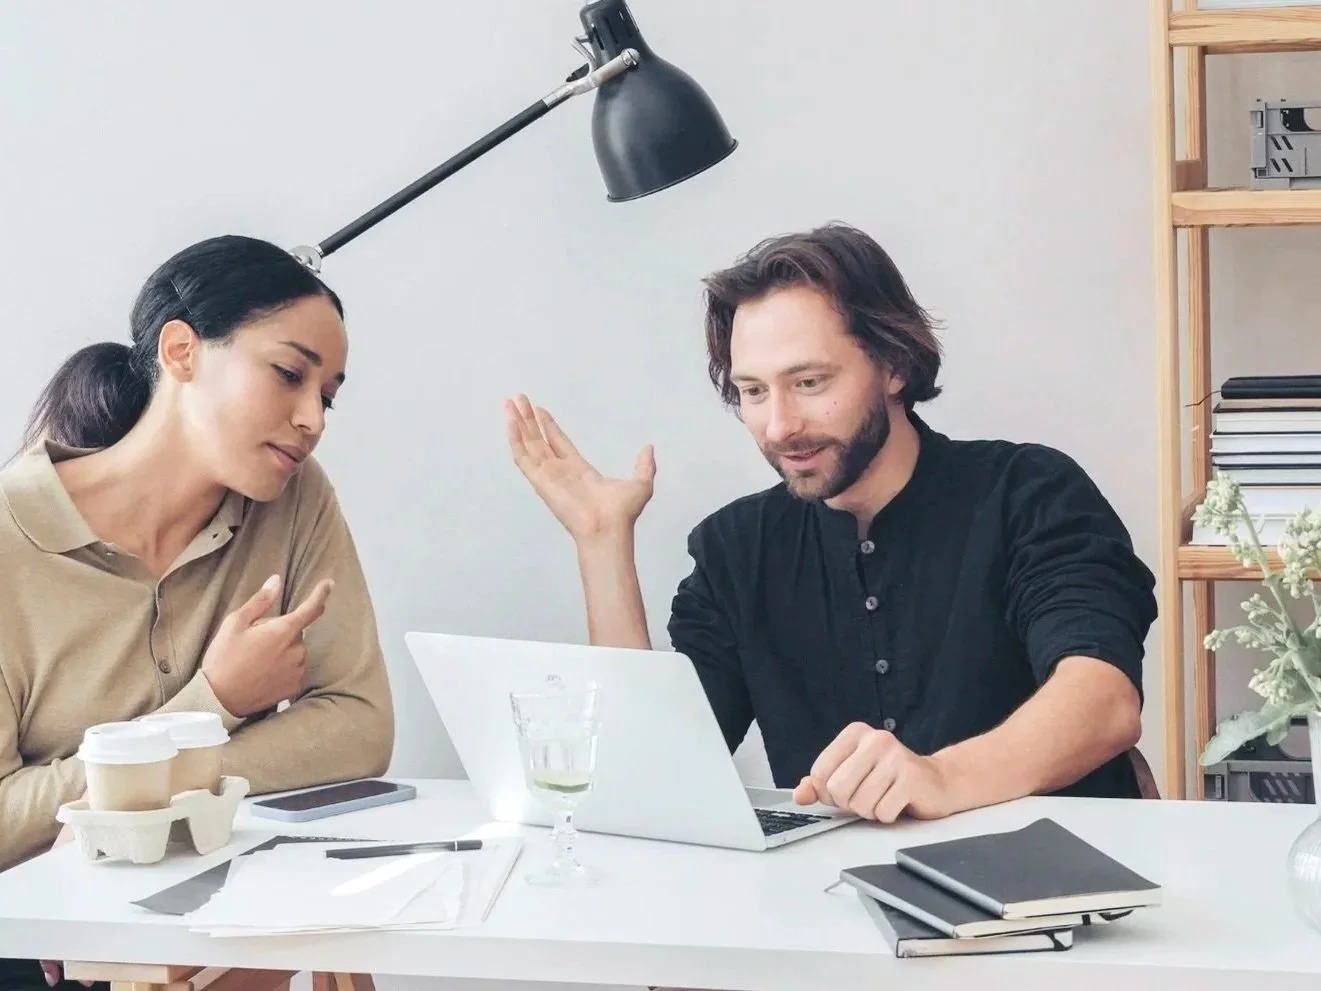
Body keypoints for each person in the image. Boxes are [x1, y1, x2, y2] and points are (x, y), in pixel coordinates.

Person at [505, 221, 1157, 825]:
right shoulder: (735, 551)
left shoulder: (1027, 493)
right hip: (831, 914)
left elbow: (1101, 701)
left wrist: (938, 777)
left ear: (893, 365)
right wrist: (600, 541)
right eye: (753, 392)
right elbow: (648, 767)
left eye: (809, 382)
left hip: (1059, 900)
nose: (779, 424)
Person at [0, 235, 394, 989]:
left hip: (213, 929)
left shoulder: (296, 500)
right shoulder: (8, 541)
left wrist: (154, 790)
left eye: (329, 394)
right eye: (288, 374)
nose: (313, 418)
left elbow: (360, 722)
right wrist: (211, 705)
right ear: (181, 351)